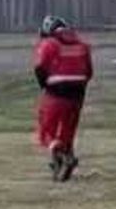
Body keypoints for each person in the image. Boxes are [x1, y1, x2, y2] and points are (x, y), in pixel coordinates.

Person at [33, 15, 93, 181]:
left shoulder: (49, 44)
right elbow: (88, 72)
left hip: (56, 92)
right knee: (68, 129)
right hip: (77, 94)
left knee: (46, 130)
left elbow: (40, 67)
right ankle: (66, 153)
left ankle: (57, 152)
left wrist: (45, 85)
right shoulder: (82, 45)